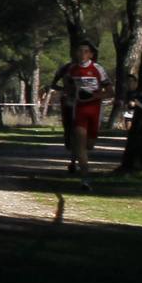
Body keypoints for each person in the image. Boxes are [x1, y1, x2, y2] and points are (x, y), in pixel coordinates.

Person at [53, 40, 113, 191]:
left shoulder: (98, 69)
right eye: (79, 51)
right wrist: (71, 93)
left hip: (95, 109)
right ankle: (85, 179)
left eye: (86, 51)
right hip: (79, 109)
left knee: (89, 145)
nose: (82, 54)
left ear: (91, 54)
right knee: (80, 145)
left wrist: (93, 96)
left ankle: (75, 159)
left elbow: (111, 92)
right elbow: (65, 86)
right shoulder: (71, 69)